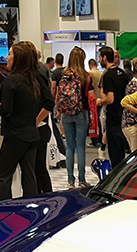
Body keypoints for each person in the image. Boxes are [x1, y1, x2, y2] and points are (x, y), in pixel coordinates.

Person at [0, 42, 43, 201]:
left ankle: (4, 210)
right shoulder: (33, 80)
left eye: (10, 54)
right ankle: (31, 208)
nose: (6, 57)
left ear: (17, 58)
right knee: (29, 176)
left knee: (3, 176)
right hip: (31, 134)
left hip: (14, 135)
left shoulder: (11, 80)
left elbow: (6, 110)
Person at [56, 46, 95, 189]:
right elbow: (91, 97)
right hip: (81, 113)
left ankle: (70, 180)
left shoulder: (64, 75)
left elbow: (58, 96)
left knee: (69, 147)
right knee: (81, 147)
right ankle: (82, 180)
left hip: (66, 114)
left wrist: (59, 111)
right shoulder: (86, 76)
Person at [26, 42, 54, 193]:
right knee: (37, 168)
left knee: (38, 168)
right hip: (39, 127)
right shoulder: (38, 71)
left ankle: (47, 198)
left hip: (39, 128)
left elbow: (49, 102)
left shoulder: (36, 74)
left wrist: (36, 122)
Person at [97, 45, 129, 167]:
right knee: (122, 154)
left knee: (114, 155)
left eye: (100, 57)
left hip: (113, 118)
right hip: (123, 117)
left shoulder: (107, 75)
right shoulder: (123, 74)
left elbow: (110, 99)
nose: (99, 60)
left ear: (105, 58)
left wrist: (100, 101)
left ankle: (116, 177)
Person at [88, 58, 103, 147]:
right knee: (99, 119)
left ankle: (95, 139)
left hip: (92, 100)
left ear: (90, 65)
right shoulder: (101, 74)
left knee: (93, 120)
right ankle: (100, 138)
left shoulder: (90, 74)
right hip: (100, 99)